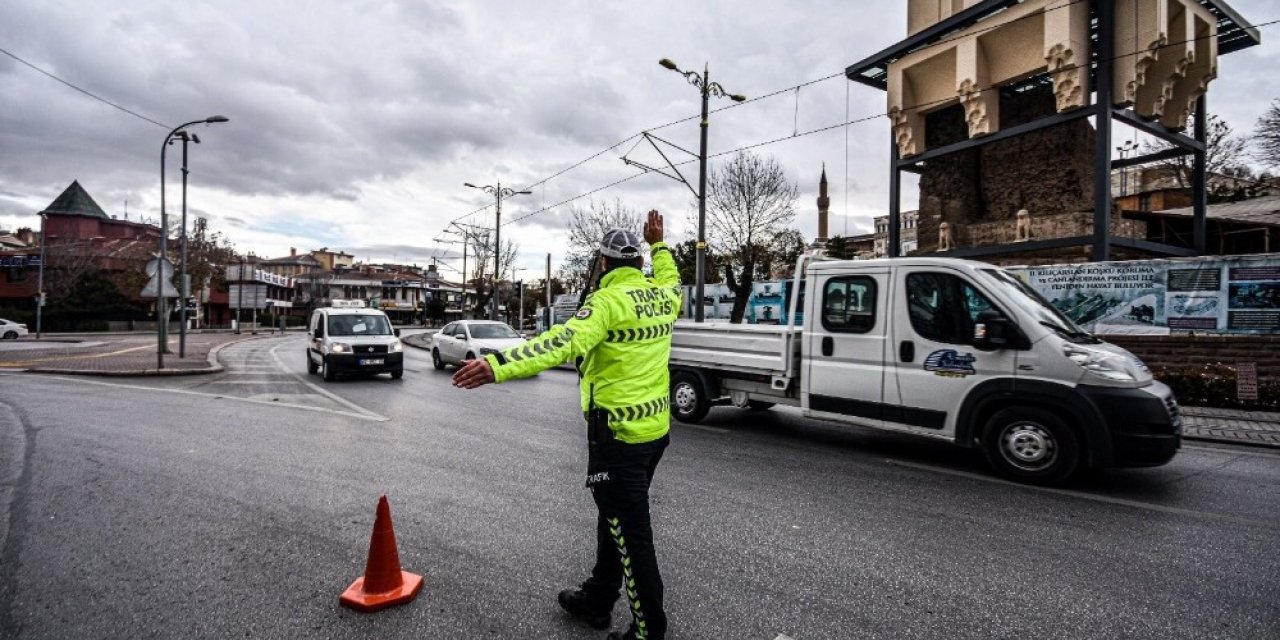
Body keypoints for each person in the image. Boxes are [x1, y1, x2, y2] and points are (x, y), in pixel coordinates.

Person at [452, 210, 680, 640]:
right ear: (639, 263)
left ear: (605, 264)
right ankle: (598, 596)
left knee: (632, 535)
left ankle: (649, 630)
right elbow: (670, 276)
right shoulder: (664, 297)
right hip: (654, 434)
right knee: (612, 518)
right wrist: (660, 244)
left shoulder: (606, 302)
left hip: (617, 438)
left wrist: (498, 364)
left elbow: (559, 342)